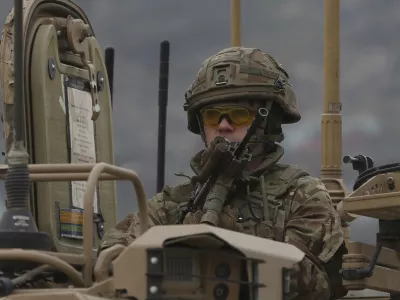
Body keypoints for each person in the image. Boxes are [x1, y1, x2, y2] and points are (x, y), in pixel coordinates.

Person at [99, 47, 347, 299]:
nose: (223, 126)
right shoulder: (170, 205)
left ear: (268, 122)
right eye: (212, 116)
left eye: (239, 116)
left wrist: (226, 246)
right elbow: (110, 264)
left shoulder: (301, 195)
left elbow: (315, 284)